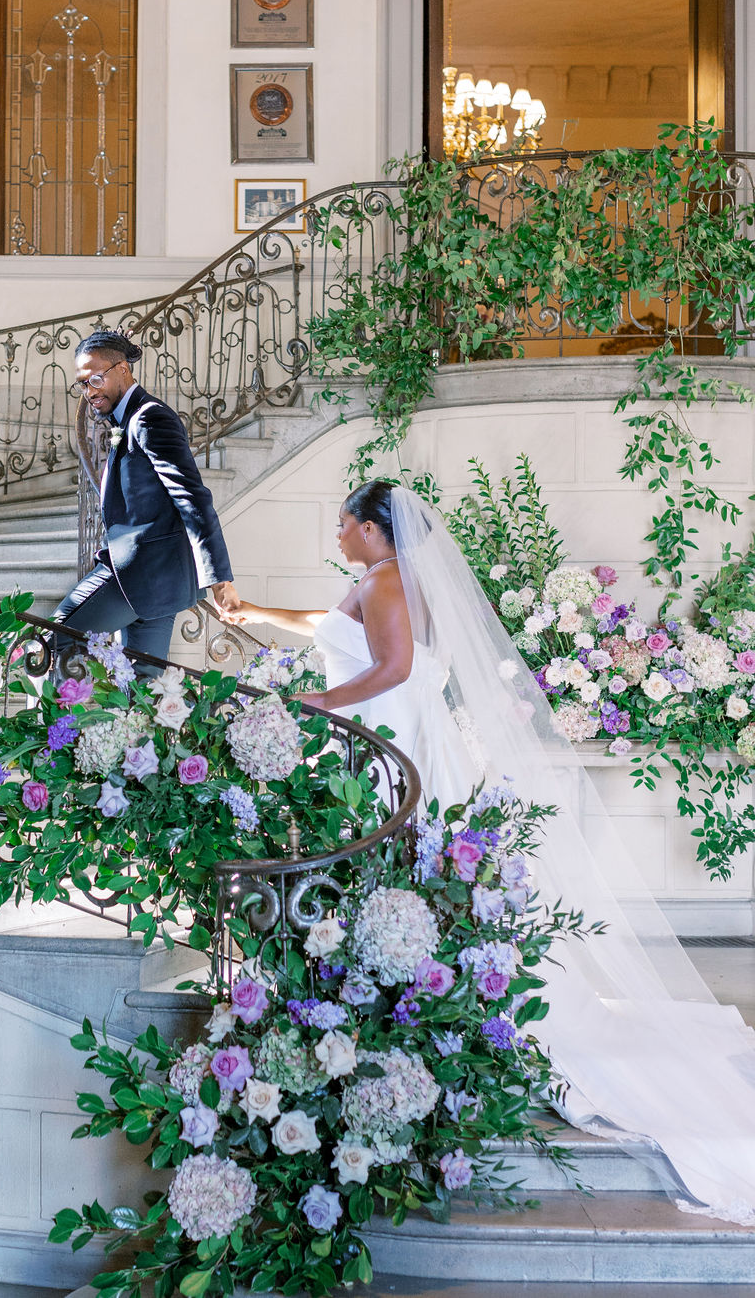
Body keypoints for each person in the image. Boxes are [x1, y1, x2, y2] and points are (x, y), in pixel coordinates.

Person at [228, 479, 755, 1227]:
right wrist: (256, 612)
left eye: (345, 523)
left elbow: (394, 668)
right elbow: (333, 626)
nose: (338, 533)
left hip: (396, 740)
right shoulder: (383, 578)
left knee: (406, 864)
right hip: (398, 735)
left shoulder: (384, 580)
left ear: (376, 530)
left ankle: (436, 993)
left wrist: (305, 705)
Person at [51, 329, 240, 666]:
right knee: (141, 693)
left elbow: (192, 498)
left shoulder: (149, 417)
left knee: (50, 641)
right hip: (157, 584)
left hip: (136, 574)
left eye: (95, 379)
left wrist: (219, 578)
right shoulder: (127, 419)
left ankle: (54, 721)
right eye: (82, 384)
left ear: (123, 369)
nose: (89, 391)